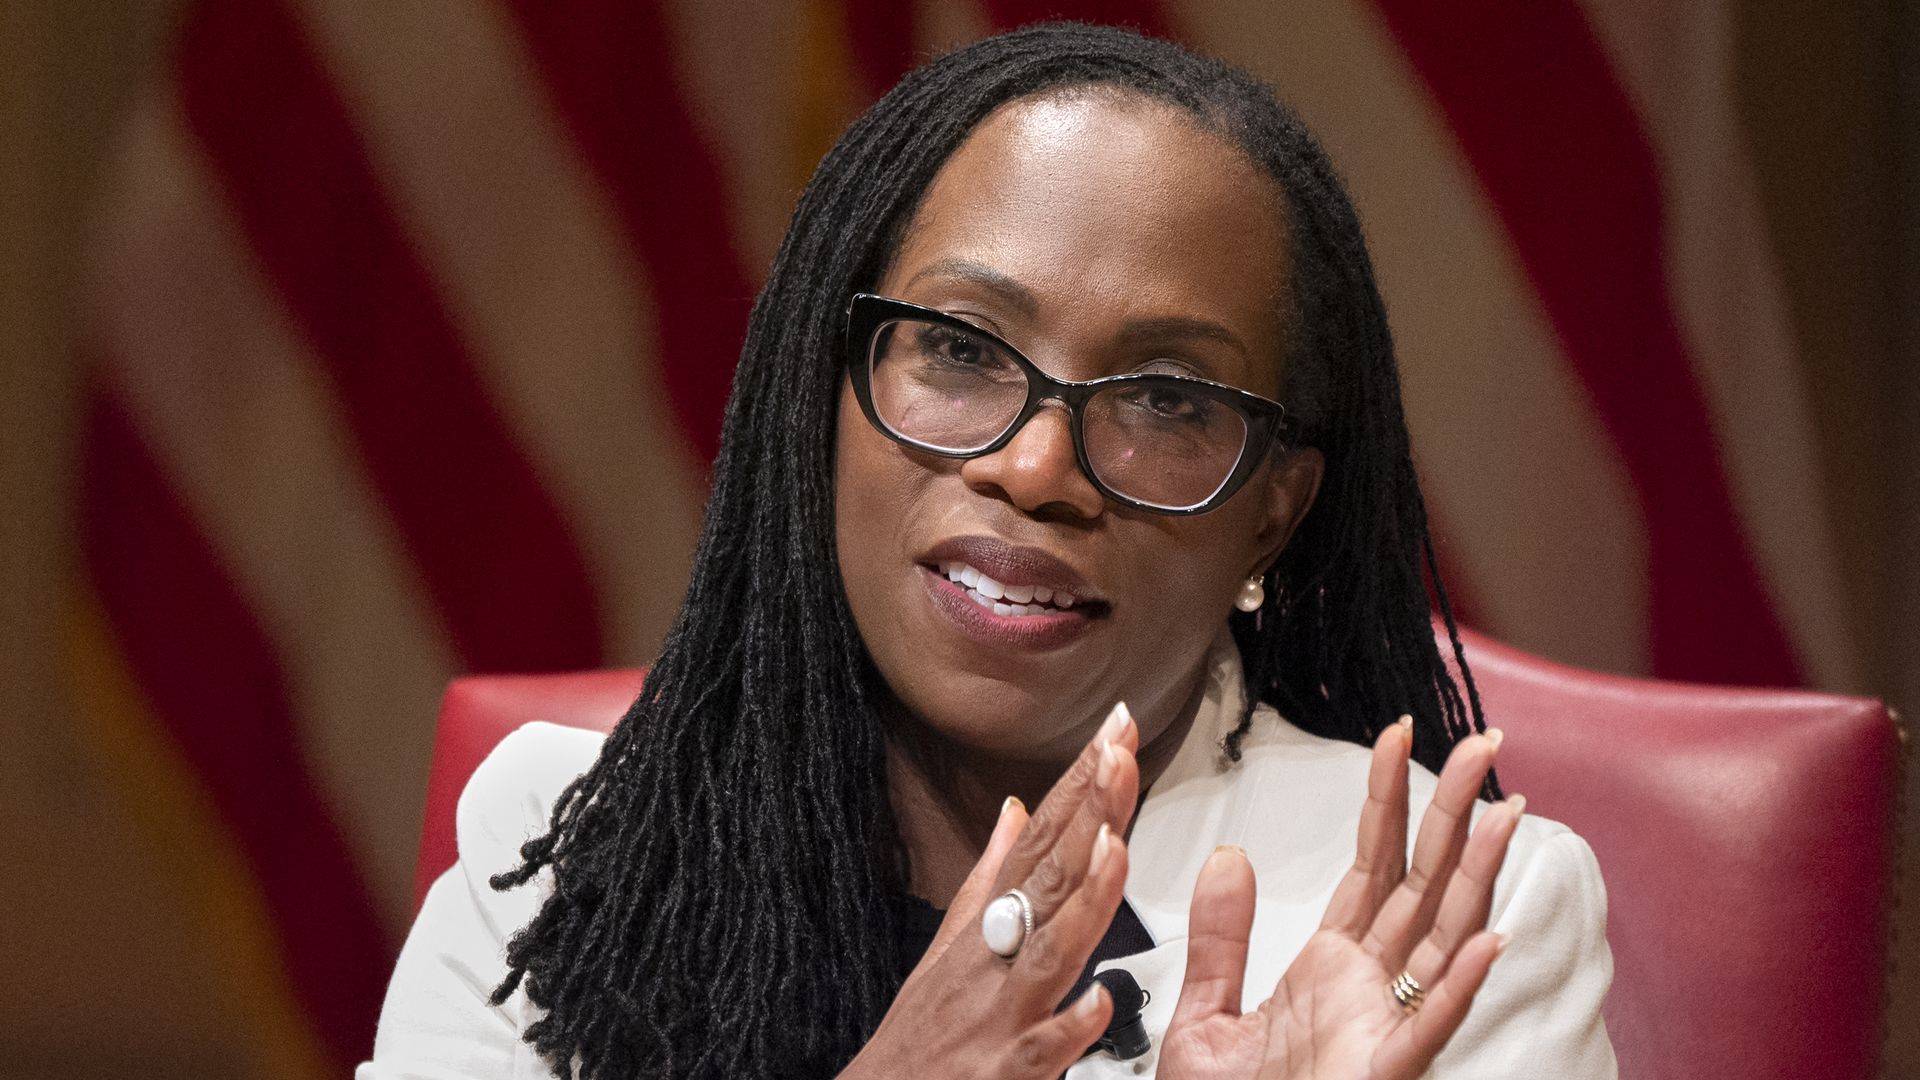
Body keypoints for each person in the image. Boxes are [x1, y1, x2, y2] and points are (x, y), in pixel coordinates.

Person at [358, 22, 1614, 1080]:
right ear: (827, 391)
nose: (1034, 468)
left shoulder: (1442, 932)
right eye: (959, 348)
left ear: (1274, 511)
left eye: (1169, 397)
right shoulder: (568, 855)